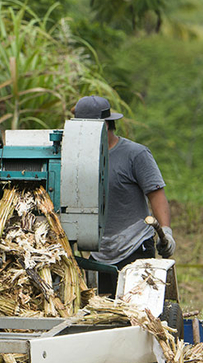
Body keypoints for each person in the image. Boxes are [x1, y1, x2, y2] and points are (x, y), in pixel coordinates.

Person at [74, 95, 175, 296]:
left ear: (105, 126)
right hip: (99, 250)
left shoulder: (135, 154)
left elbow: (156, 194)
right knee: (102, 312)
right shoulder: (78, 158)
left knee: (137, 309)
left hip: (134, 245)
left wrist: (166, 231)